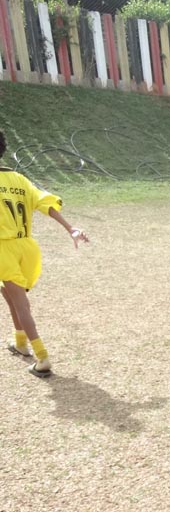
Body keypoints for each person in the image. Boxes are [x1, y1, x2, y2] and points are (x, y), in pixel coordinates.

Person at [0, 130, 88, 377]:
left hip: (3, 249)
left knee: (20, 303)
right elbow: (45, 202)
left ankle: (42, 358)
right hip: (27, 247)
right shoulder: (19, 179)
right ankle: (20, 342)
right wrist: (70, 228)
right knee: (9, 294)